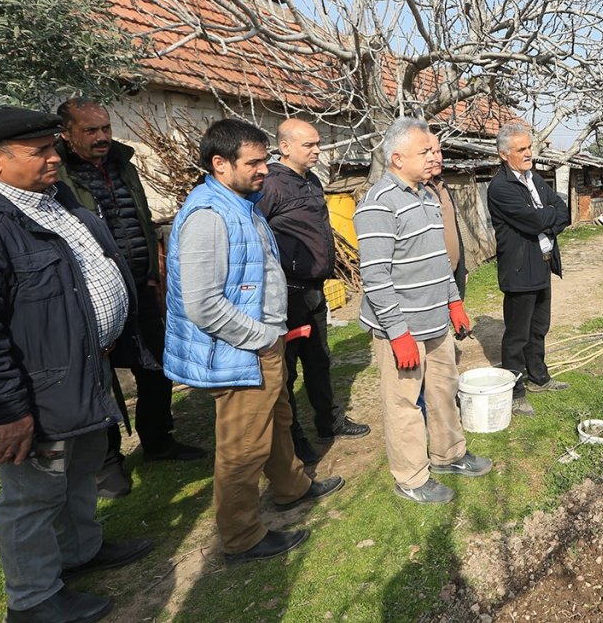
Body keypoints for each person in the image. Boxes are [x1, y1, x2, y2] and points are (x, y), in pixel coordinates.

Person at [0, 106, 154, 623]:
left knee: (82, 470)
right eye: (39, 150)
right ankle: (33, 600)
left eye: (52, 145)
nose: (52, 156)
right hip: (35, 394)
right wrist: (5, 411)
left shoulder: (55, 198)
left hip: (84, 371)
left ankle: (80, 552)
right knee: (34, 496)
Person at [163, 119, 342, 564]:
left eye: (265, 159)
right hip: (240, 351)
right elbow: (203, 304)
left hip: (261, 344)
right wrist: (262, 338)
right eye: (255, 162)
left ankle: (291, 487)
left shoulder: (242, 203)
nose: (265, 169)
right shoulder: (208, 216)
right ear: (219, 164)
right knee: (243, 447)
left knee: (277, 418)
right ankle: (241, 536)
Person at [55, 99, 207, 499]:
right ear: (67, 134)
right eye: (91, 131)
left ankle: (158, 441)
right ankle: (107, 464)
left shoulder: (124, 163)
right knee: (102, 381)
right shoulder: (58, 175)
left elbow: (139, 219)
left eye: (105, 128)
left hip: (141, 287)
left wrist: (155, 275)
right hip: (95, 296)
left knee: (157, 367)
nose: (103, 137)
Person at [354, 117, 491, 505]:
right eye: (425, 151)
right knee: (403, 405)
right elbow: (376, 276)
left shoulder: (427, 196)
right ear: (397, 158)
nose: (435, 156)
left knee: (444, 390)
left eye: (434, 150)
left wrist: (454, 300)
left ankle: (449, 455)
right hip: (404, 328)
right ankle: (412, 477)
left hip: (436, 321)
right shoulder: (379, 204)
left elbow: (437, 261)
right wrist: (397, 332)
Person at [258, 119, 370, 467]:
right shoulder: (271, 185)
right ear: (285, 147)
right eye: (309, 145)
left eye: (318, 143)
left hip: (314, 290)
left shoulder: (312, 181)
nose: (317, 150)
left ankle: (329, 421)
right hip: (287, 295)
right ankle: (293, 441)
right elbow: (256, 236)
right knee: (286, 372)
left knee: (319, 359)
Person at [486, 122, 571, 417]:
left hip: (543, 264)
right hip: (520, 269)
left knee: (539, 328)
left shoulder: (533, 177)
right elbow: (534, 221)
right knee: (517, 334)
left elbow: (563, 209)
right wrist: (547, 218)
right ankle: (515, 389)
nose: (528, 153)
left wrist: (547, 217)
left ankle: (539, 376)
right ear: (503, 154)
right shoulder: (501, 187)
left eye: (529, 147)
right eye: (521, 149)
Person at [424, 130, 468, 299]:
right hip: (430, 283)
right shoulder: (413, 192)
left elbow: (453, 228)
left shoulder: (442, 185)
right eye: (430, 152)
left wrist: (462, 267)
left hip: (453, 275)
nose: (438, 158)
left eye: (438, 151)